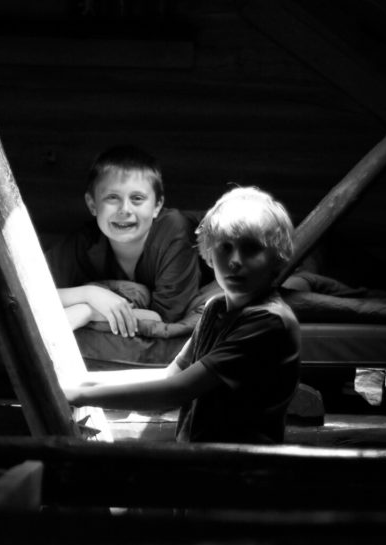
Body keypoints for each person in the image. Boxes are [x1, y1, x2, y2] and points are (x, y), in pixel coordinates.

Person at [63, 185, 301, 445]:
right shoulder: (215, 308)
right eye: (225, 247)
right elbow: (171, 374)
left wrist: (79, 396)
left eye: (251, 249)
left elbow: (177, 390)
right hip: (202, 458)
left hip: (242, 464)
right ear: (209, 253)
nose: (235, 260)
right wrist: (85, 383)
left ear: (276, 256)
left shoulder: (268, 321)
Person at [44, 145, 203, 338]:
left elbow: (166, 319)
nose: (125, 209)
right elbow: (33, 289)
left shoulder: (174, 230)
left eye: (137, 198)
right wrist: (90, 294)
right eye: (112, 198)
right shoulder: (87, 241)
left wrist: (88, 311)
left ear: (157, 206)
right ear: (92, 204)